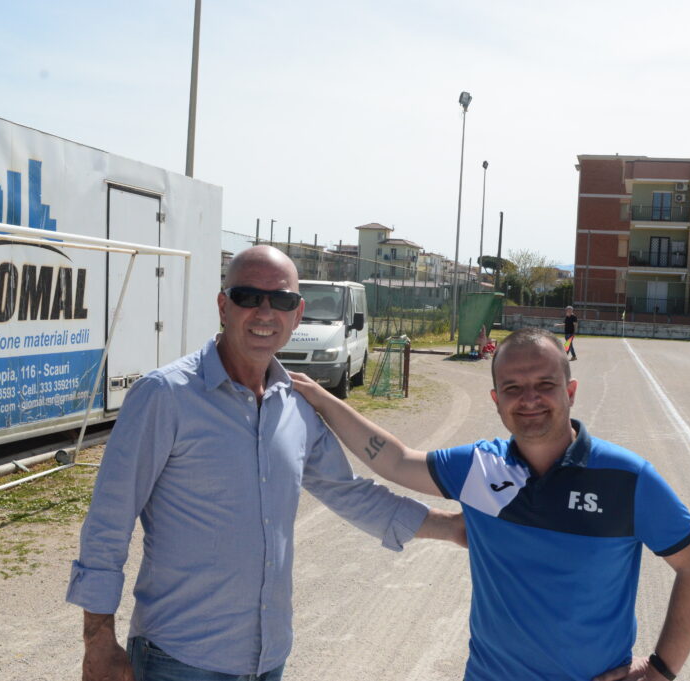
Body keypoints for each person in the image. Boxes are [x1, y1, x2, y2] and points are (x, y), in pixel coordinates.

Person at [66, 245, 465, 681]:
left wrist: (452, 528)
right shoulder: (165, 396)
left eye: (281, 300)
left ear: (298, 313)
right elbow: (108, 521)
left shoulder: (295, 405)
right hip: (179, 659)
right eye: (248, 297)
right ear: (223, 306)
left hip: (267, 659)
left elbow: (350, 493)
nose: (265, 312)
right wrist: (98, 641)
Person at [291, 327, 690, 681]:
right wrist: (321, 397)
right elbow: (396, 460)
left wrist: (661, 669)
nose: (529, 399)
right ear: (496, 400)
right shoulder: (481, 467)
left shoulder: (627, 477)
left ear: (570, 391)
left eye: (545, 385)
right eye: (513, 388)